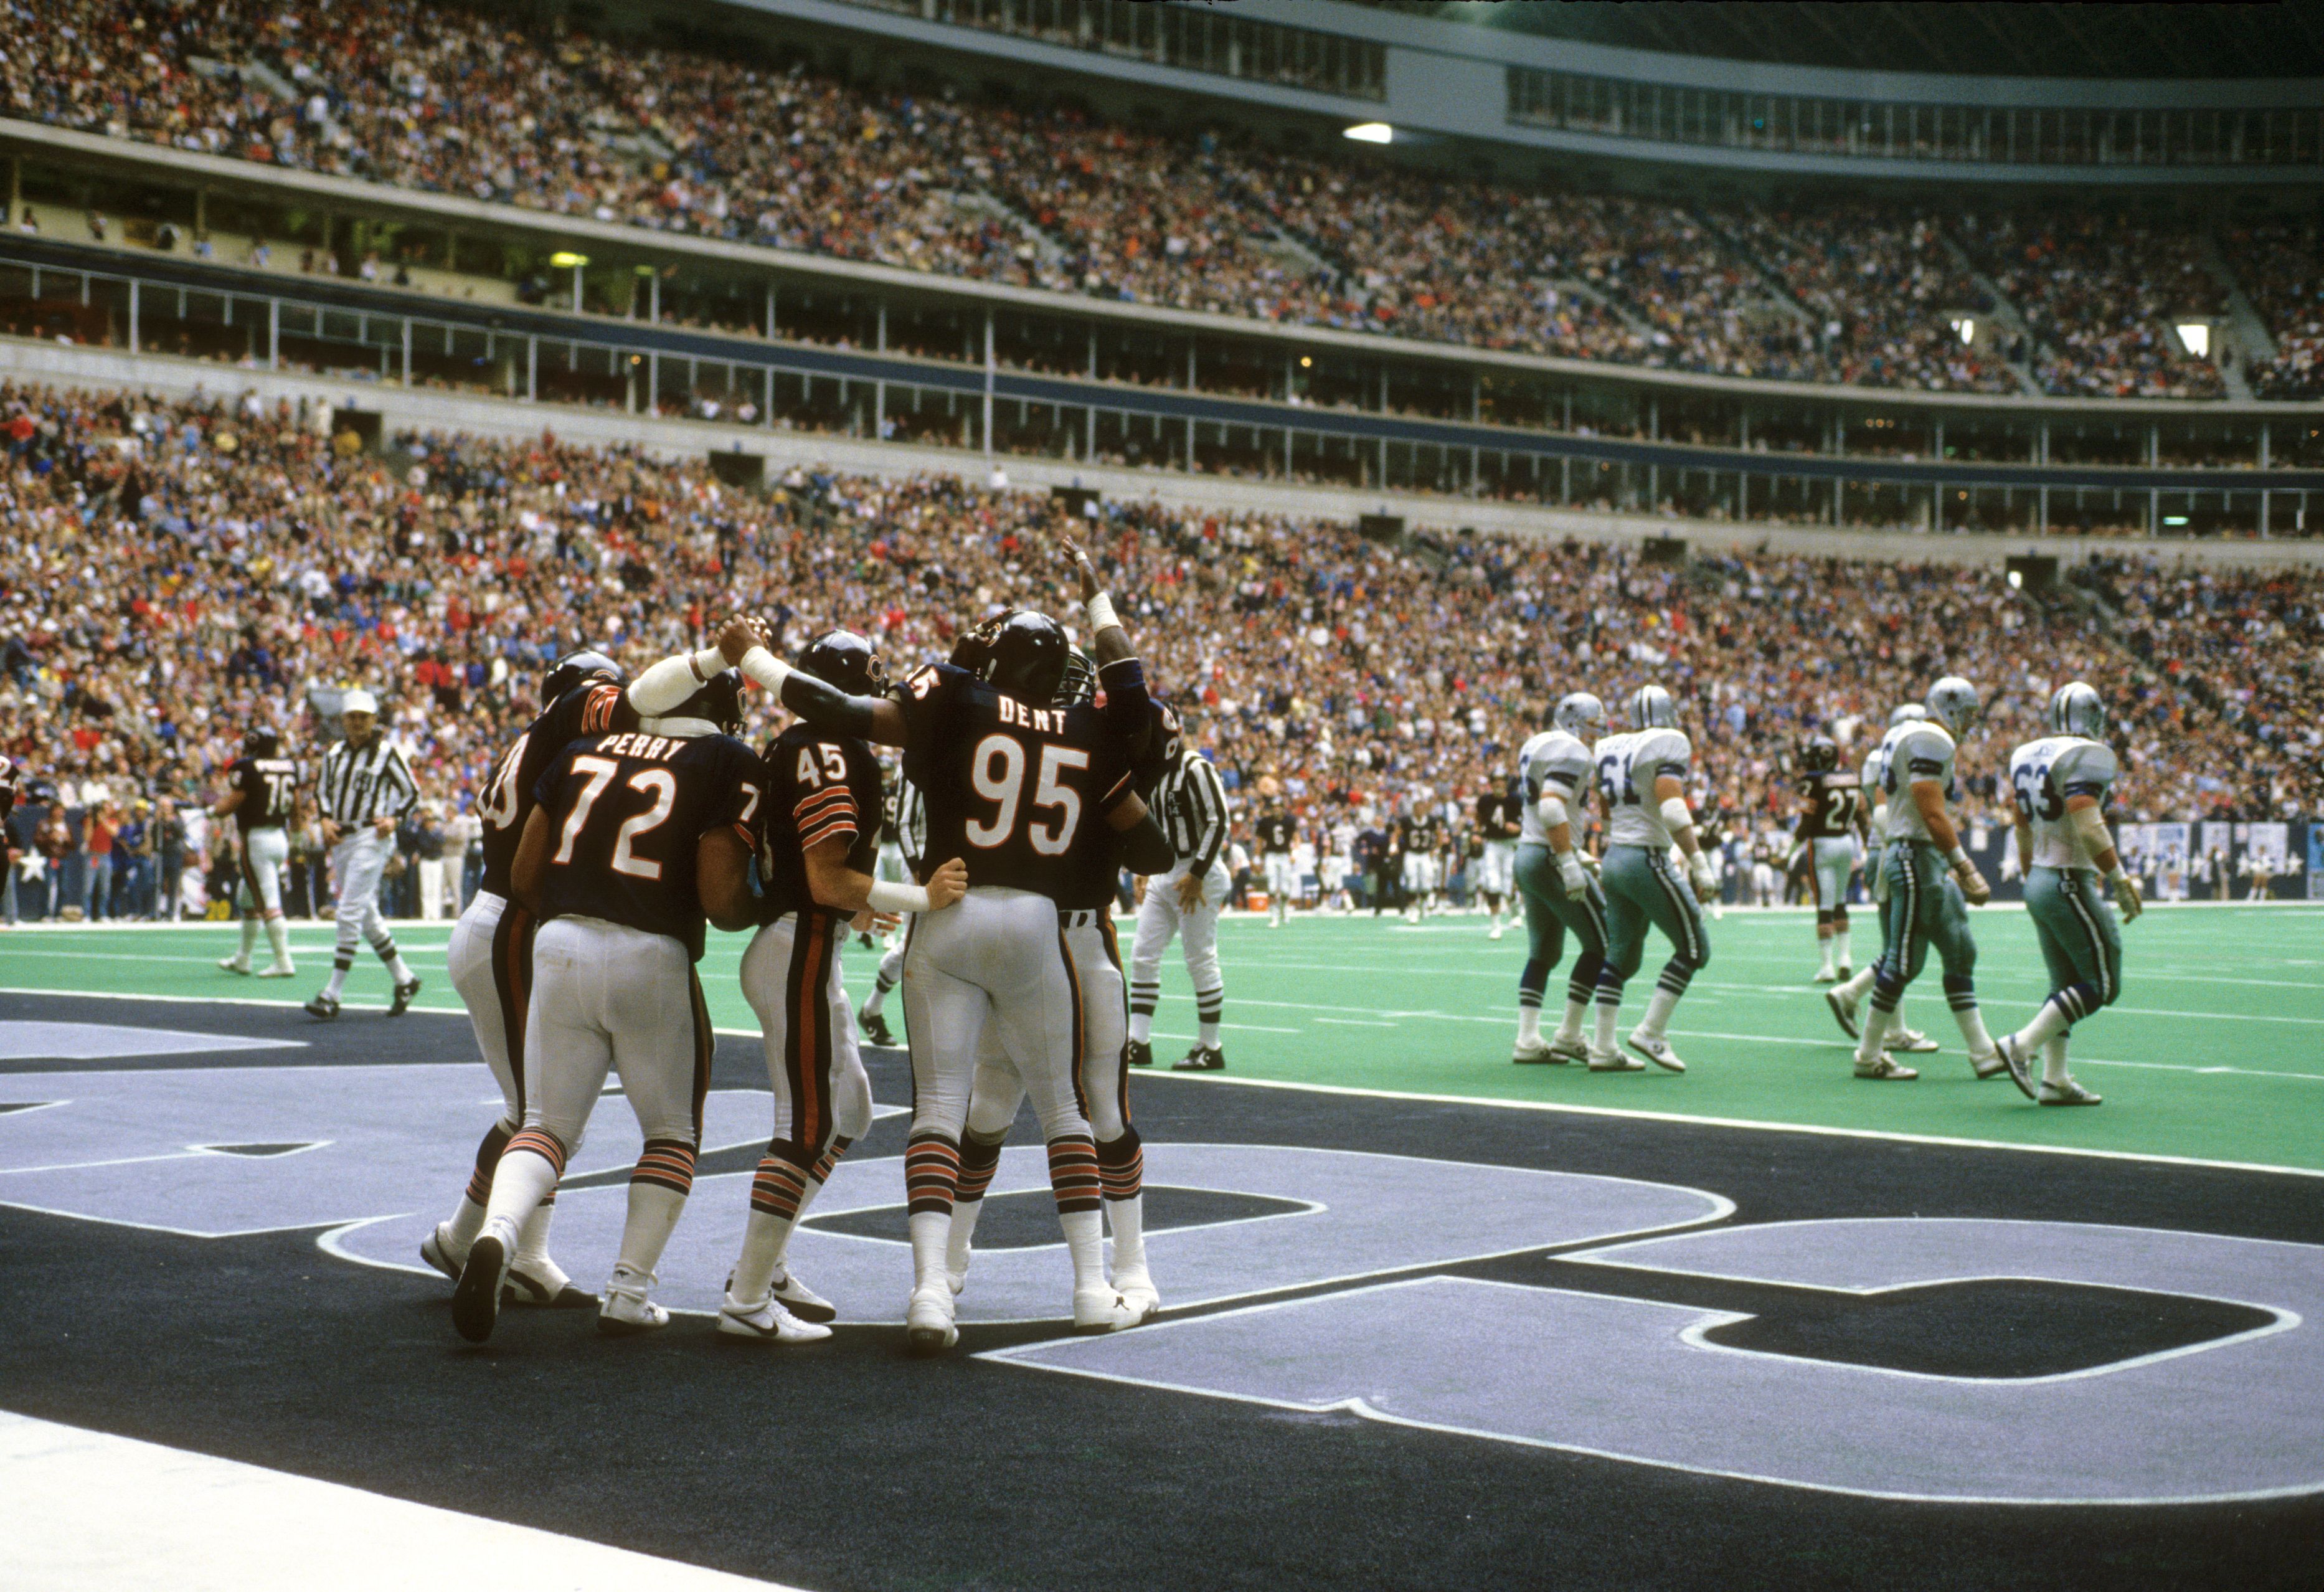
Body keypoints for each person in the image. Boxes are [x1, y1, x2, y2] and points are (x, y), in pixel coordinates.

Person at [741, 568, 1173, 1353]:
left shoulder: (956, 696)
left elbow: (839, 710)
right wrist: (1101, 605)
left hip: (952, 909)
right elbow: (1135, 704)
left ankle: (932, 1293)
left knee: (940, 1112)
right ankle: (1088, 1287)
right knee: (1067, 1111)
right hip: (1041, 923)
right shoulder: (1084, 731)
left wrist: (756, 663)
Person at [427, 630, 762, 1314]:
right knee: (668, 1130)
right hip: (591, 936)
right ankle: (622, 1288)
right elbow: (720, 895)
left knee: (539, 1120)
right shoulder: (706, 752)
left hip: (544, 930)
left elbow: (529, 869)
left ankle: (487, 1233)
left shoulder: (572, 747)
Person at [721, 630, 967, 1345]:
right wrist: (923, 896)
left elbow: (819, 873)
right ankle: (745, 1296)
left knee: (850, 1109)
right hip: (797, 942)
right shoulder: (828, 749)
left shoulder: (800, 744)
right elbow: (826, 876)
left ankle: (767, 1263)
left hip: (808, 940)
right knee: (804, 1125)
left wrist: (856, 899)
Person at [1990, 683, 2143, 1107]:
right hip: (2068, 879)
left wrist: (2030, 876)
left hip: (2041, 876)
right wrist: (2120, 879)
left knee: (2065, 983)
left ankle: (2055, 1080)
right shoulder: (2088, 755)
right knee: (2103, 983)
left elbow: (2020, 823)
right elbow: (2089, 823)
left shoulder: (2028, 753)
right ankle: (2022, 1045)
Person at [1847, 678, 2006, 1083]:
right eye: (1968, 712)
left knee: (1960, 948)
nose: (1971, 721)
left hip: (1922, 857)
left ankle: (1983, 1052)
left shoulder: (1916, 736)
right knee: (1904, 960)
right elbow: (1930, 809)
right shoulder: (1932, 738)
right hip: (1914, 855)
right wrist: (1965, 866)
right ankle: (1868, 1055)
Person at [1587, 685, 1718, 1073]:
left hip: (1615, 857)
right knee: (1695, 948)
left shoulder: (1610, 745)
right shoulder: (1668, 741)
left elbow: (1606, 808)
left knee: (1621, 955)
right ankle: (1651, 1031)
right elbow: (1674, 809)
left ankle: (1603, 1048)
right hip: (1647, 858)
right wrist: (1698, 859)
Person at [1822, 706, 1942, 1059]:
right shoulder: (1898, 756)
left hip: (1885, 849)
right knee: (1904, 947)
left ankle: (1889, 1025)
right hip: (1893, 849)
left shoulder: (1881, 754)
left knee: (1897, 945)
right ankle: (1857, 1000)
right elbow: (1881, 812)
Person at [1127, 703, 1233, 1073]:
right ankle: (1137, 1041)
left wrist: (1199, 873)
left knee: (1200, 957)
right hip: (1164, 871)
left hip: (1195, 872)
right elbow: (1148, 822)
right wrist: (1143, 865)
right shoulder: (1152, 773)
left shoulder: (1197, 768)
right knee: (1143, 953)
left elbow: (1219, 821)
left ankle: (1211, 1045)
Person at [305, 689, 423, 1019]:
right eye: (352, 717)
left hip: (372, 835)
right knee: (366, 913)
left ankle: (332, 993)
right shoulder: (335, 753)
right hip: (343, 838)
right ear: (344, 720)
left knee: (349, 910)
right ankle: (405, 978)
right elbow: (323, 791)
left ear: (374, 721)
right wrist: (326, 819)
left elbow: (411, 791)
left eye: (363, 717)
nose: (357, 723)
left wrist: (394, 817)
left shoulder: (386, 753)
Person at [1509, 693, 1610, 1064]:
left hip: (1527, 852)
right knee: (1605, 942)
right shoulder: (1572, 751)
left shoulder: (1536, 743)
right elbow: (1551, 806)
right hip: (1550, 855)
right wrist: (1569, 862)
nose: (1595, 732)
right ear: (1575, 720)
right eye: (1592, 723)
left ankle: (1528, 1039)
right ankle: (1569, 1034)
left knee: (1544, 953)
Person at [214, 729, 301, 977]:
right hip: (279, 837)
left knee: (268, 902)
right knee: (247, 898)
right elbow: (296, 806)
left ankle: (283, 961)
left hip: (257, 840)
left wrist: (213, 810)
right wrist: (298, 836)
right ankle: (243, 958)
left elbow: (230, 805)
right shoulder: (289, 766)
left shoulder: (247, 768)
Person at [1793, 735, 1869, 983]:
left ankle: (1827, 966)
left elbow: (1806, 824)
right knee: (1840, 902)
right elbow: (1861, 816)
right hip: (1847, 842)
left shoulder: (1813, 780)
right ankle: (1846, 958)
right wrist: (1868, 846)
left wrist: (1790, 850)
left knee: (1824, 906)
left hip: (1823, 843)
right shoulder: (1851, 777)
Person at [853, 779, 923, 1048]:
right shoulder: (916, 759)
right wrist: (917, 867)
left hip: (941, 858)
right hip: (919, 855)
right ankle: (872, 1009)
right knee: (914, 942)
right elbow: (905, 823)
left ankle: (872, 1010)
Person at [1475, 778, 1524, 941]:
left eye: (1501, 781)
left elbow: (1529, 821)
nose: (1498, 785)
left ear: (1506, 783)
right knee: (1492, 883)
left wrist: (1518, 828)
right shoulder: (1485, 800)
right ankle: (1496, 925)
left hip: (1511, 844)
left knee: (1508, 883)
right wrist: (1476, 833)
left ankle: (1515, 910)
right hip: (1492, 844)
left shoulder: (1515, 800)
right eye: (1495, 781)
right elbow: (1478, 818)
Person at [1254, 794, 1297, 927]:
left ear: (1283, 808)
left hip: (1284, 855)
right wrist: (1257, 857)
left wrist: (1295, 852)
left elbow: (1296, 838)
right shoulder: (1265, 822)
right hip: (1271, 855)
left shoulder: (1290, 820)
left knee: (1285, 889)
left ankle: (1283, 908)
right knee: (1272, 887)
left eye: (1278, 806)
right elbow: (1260, 841)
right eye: (1274, 807)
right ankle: (1274, 916)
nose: (1276, 809)